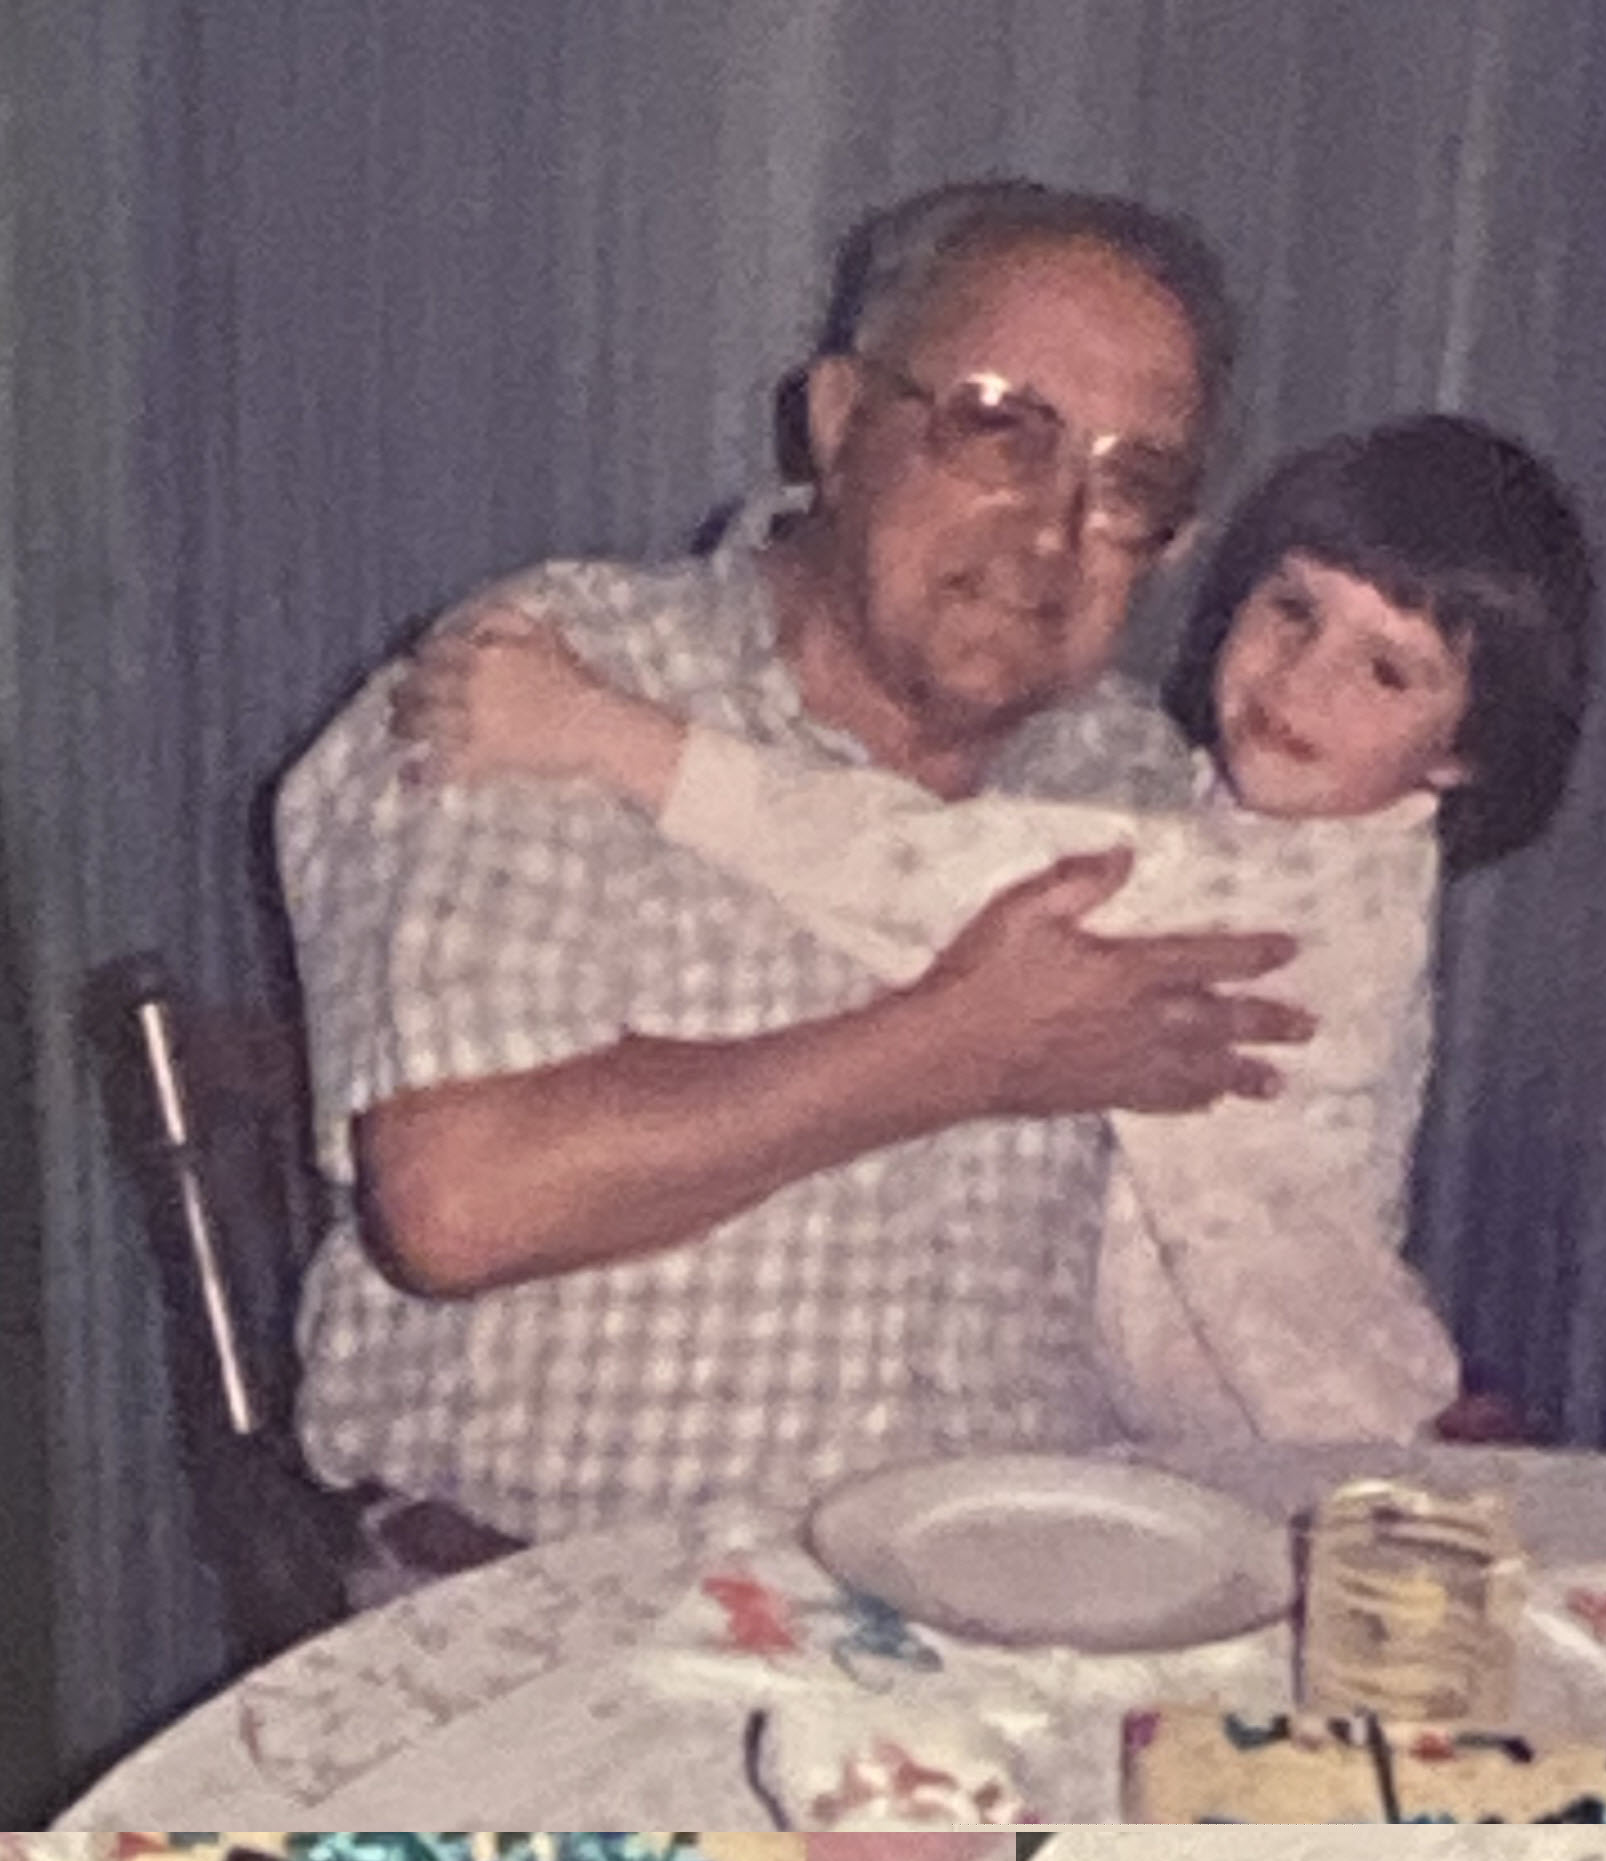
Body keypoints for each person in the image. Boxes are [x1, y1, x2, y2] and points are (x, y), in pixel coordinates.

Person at [275, 179, 1314, 1578]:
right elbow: (459, 1201)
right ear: (836, 424)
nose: (1054, 527)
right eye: (999, 428)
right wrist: (959, 1048)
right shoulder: (558, 681)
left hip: (1021, 1611)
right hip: (570, 1616)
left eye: (1130, 483)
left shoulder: (1137, 778)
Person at [392, 416, 1597, 1445]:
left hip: (1310, 1445)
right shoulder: (1206, 804)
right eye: (1291, 609)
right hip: (1187, 1446)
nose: (1301, 679)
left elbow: (904, 865)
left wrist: (602, 735)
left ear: (1460, 755)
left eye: (1386, 672)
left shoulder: (1284, 895)